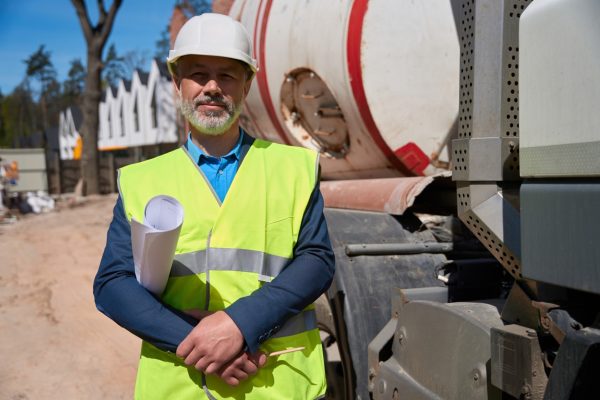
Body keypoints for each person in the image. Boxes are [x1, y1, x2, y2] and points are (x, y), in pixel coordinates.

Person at [94, 13, 335, 400]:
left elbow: (317, 261)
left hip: (280, 383)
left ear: (246, 85)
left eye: (226, 75)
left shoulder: (294, 167)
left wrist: (240, 324)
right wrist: (199, 342)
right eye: (199, 74)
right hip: (178, 387)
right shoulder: (141, 181)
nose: (212, 87)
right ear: (177, 84)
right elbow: (112, 285)